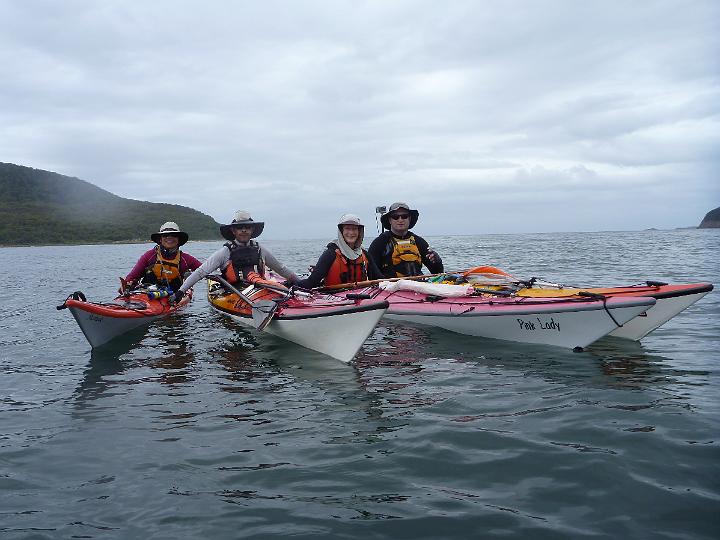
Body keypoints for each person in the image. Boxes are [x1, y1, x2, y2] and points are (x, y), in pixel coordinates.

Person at [173, 211, 299, 302]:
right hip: (233, 292)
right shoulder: (225, 252)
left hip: (260, 289)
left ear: (252, 230)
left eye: (247, 227)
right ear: (234, 231)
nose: (243, 230)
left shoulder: (260, 250)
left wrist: (300, 282)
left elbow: (281, 269)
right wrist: (181, 291)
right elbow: (201, 272)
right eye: (239, 227)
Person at [296, 214, 384, 289]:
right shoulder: (330, 254)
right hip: (336, 301)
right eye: (347, 229)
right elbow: (312, 282)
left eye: (354, 229)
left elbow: (380, 279)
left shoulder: (365, 254)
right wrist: (292, 284)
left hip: (362, 299)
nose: (351, 232)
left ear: (359, 232)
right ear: (341, 231)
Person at [368, 202, 444, 278]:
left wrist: (438, 261)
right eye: (395, 217)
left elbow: (437, 273)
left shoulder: (419, 242)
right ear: (390, 220)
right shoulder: (379, 243)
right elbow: (371, 273)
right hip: (390, 287)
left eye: (404, 216)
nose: (400, 220)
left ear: (409, 219)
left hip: (419, 285)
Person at [124, 221, 202, 292]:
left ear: (179, 239)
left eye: (174, 235)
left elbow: (205, 271)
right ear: (160, 239)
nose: (169, 237)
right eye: (165, 235)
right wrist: (127, 286)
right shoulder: (149, 256)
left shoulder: (186, 259)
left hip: (175, 298)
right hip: (148, 297)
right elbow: (131, 277)